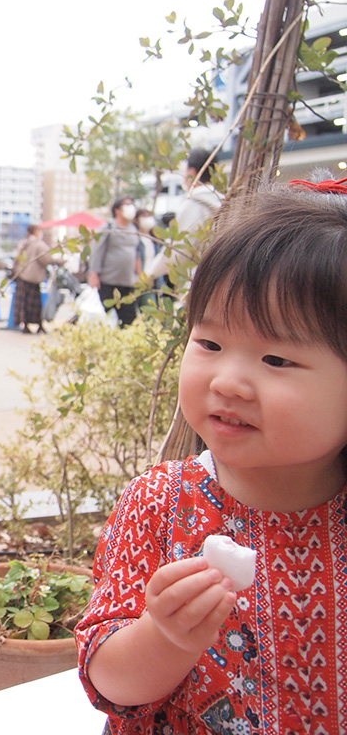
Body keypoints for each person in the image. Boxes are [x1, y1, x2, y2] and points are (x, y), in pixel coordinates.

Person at [75, 174, 347, 733]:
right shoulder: (161, 504)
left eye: (277, 359)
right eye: (210, 343)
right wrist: (164, 637)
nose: (228, 382)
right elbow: (108, 682)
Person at [148, 147, 223, 284]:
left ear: (192, 173)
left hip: (202, 277)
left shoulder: (195, 205)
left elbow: (178, 250)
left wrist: (150, 274)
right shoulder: (223, 202)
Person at [87, 195, 143, 327]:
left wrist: (140, 275)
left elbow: (137, 254)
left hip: (128, 282)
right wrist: (94, 274)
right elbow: (97, 251)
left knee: (129, 319)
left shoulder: (134, 230)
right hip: (108, 282)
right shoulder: (108, 227)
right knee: (108, 317)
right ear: (117, 209)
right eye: (127, 204)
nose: (131, 207)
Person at [9, 224, 58, 334]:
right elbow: (47, 259)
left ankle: (25, 324)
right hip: (33, 277)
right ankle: (39, 325)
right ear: (36, 231)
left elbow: (17, 258)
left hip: (21, 276)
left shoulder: (23, 243)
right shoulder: (38, 245)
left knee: (23, 303)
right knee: (35, 304)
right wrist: (61, 260)